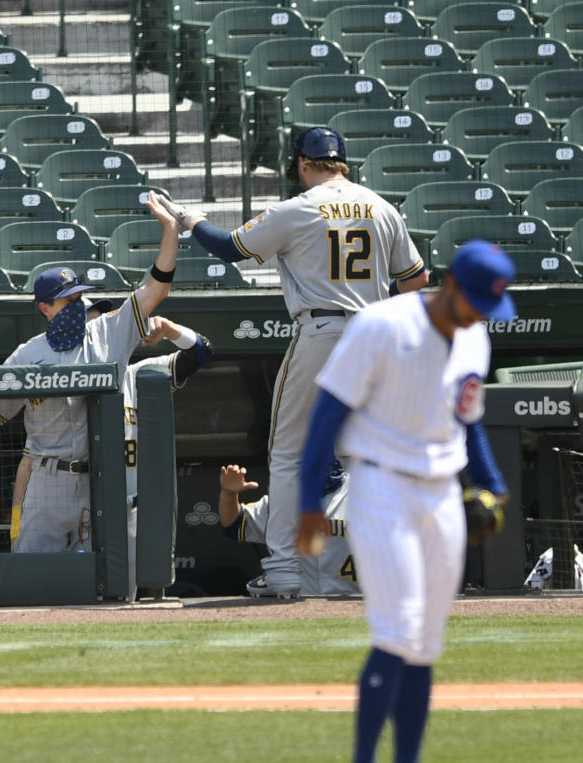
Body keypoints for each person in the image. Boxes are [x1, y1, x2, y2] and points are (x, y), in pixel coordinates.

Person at [296, 239, 515, 763]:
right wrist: (306, 502)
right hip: (381, 487)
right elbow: (327, 415)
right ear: (448, 285)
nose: (479, 314)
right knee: (396, 630)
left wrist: (494, 486)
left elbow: (469, 426)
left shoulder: (476, 336)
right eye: (473, 301)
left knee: (425, 643)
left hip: (442, 492)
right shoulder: (380, 325)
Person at [157, 125, 427, 600]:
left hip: (321, 332)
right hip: (375, 338)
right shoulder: (383, 208)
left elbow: (228, 248)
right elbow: (416, 280)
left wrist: (190, 219)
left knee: (287, 453)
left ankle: (283, 569)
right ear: (341, 161)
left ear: (302, 164)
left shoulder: (298, 208)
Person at [0, 190, 181, 554]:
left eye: (78, 298)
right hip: (48, 477)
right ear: (45, 308)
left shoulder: (109, 330)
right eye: (66, 300)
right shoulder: (27, 354)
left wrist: (170, 230)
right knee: (34, 581)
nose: (76, 305)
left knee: (109, 585)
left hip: (103, 475)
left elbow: (155, 288)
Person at [8, 306, 213, 596]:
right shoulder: (63, 393)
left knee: (119, 605)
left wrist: (170, 329)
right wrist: (17, 526)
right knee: (48, 596)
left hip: (123, 510)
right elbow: (29, 463)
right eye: (91, 326)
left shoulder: (139, 375)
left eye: (105, 326)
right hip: (68, 501)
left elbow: (201, 352)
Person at [218, 460, 357, 598]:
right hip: (300, 605)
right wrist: (229, 493)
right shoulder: (283, 498)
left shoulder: (360, 493)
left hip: (354, 601)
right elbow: (233, 525)